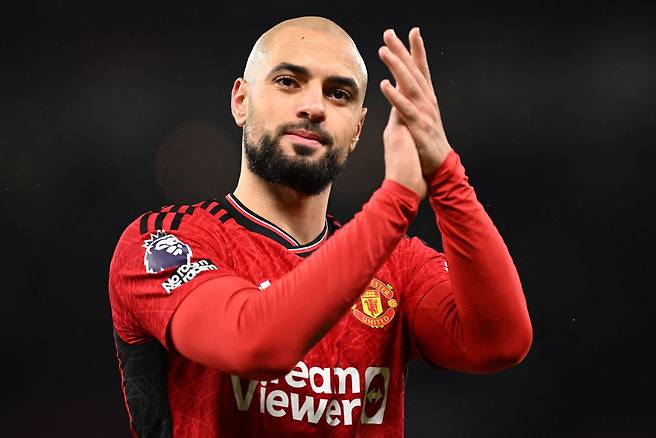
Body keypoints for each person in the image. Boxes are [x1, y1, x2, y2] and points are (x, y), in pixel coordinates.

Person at [108, 16, 532, 437]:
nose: (314, 107)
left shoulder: (398, 264)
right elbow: (255, 344)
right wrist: (396, 201)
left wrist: (446, 175)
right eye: (288, 82)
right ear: (241, 101)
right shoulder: (163, 241)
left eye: (338, 93)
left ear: (357, 130)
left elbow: (501, 343)